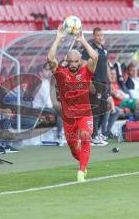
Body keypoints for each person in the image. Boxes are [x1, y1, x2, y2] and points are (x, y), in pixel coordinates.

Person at [47, 26, 98, 182]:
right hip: (69, 117)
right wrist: (57, 39)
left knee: (85, 136)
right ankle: (83, 163)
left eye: (77, 61)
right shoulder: (61, 73)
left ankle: (81, 172)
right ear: (67, 62)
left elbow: (95, 57)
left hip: (85, 114)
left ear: (80, 61)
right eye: (72, 61)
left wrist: (82, 40)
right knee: (73, 148)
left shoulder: (86, 71)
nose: (74, 64)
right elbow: (50, 59)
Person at [81, 27, 111, 145]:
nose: (100, 37)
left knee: (103, 109)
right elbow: (83, 65)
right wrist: (89, 82)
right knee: (96, 110)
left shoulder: (104, 49)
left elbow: (106, 65)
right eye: (98, 35)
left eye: (101, 35)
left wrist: (110, 81)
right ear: (93, 36)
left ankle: (97, 134)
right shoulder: (89, 49)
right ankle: (93, 136)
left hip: (104, 83)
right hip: (95, 83)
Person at [33, 63, 64, 142]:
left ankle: (60, 134)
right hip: (39, 109)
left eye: (49, 70)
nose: (49, 72)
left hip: (46, 108)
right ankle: (60, 135)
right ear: (40, 73)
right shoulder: (41, 84)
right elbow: (48, 103)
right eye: (46, 70)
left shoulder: (46, 82)